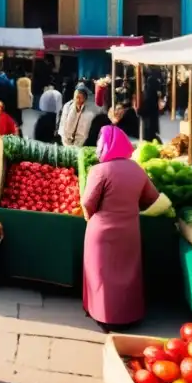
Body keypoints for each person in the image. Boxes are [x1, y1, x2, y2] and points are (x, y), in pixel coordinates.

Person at [81, 126, 162, 332]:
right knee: (127, 274)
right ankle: (129, 315)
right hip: (129, 232)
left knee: (101, 274)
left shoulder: (99, 170)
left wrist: (90, 219)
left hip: (101, 232)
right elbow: (152, 198)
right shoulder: (137, 169)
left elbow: (88, 203)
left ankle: (103, 316)